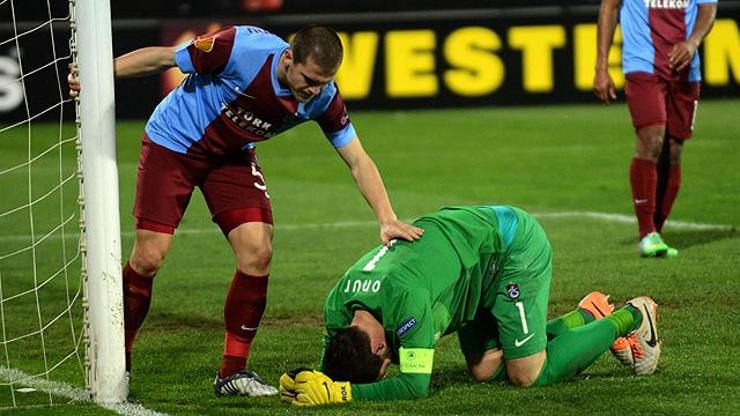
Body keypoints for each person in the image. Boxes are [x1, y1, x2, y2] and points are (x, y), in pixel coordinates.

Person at [68, 25, 423, 397]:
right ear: (289, 58)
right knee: (149, 257)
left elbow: (357, 160)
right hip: (173, 144)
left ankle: (233, 373)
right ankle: (118, 358)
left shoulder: (323, 98)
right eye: (310, 79)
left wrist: (386, 217)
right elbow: (163, 57)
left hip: (231, 158)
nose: (315, 90)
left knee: (258, 251)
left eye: (325, 82)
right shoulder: (240, 49)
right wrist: (99, 73)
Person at [278, 205, 660, 406]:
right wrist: (309, 379)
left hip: (508, 249)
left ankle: (633, 315)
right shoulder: (336, 308)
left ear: (380, 347)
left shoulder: (406, 305)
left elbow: (414, 387)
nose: (391, 360)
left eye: (385, 365)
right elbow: (332, 354)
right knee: (485, 370)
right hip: (468, 265)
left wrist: (344, 394)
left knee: (527, 375)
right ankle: (587, 317)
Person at [593, 0, 717, 257]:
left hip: (685, 70)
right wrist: (601, 66)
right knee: (652, 140)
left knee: (673, 150)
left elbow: (708, 9)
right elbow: (609, 7)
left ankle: (656, 232)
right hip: (642, 64)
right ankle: (647, 233)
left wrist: (693, 41)